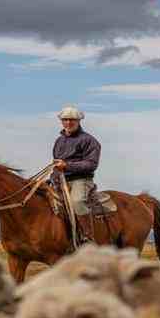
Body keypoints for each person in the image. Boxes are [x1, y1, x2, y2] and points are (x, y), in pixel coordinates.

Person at [53, 105, 101, 245]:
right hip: (61, 180)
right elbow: (56, 163)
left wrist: (67, 166)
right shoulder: (59, 141)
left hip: (81, 180)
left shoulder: (89, 140)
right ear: (61, 121)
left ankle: (88, 237)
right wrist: (52, 178)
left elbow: (92, 164)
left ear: (79, 121)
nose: (68, 122)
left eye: (72, 120)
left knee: (77, 202)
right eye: (65, 119)